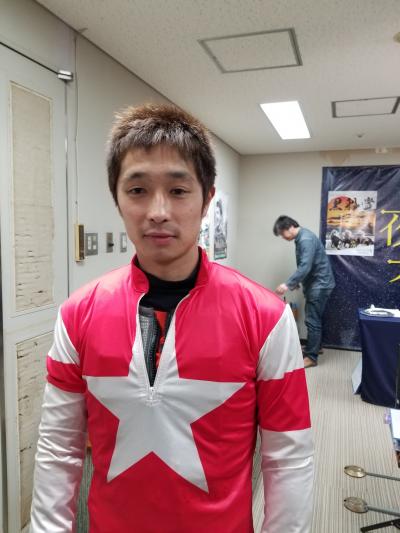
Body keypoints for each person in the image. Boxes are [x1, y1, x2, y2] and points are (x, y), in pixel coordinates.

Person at [30, 104, 314, 532]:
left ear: (207, 200)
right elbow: (58, 447)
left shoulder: (266, 318)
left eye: (179, 191)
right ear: (117, 198)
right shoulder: (77, 314)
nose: (158, 211)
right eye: (137, 190)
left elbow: (288, 457)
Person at [273, 215, 335, 368]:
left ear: (289, 227)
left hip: (319, 285)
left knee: (312, 320)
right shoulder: (302, 237)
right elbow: (307, 265)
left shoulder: (305, 240)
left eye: (282, 234)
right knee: (315, 318)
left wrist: (288, 284)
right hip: (319, 283)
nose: (283, 237)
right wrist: (296, 282)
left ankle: (311, 357)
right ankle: (316, 347)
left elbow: (305, 266)